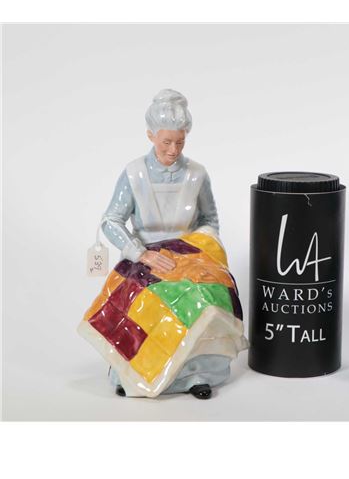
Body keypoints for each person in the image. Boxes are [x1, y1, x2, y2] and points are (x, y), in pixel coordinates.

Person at [79, 89, 247, 399]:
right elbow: (111, 220)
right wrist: (141, 253)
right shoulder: (134, 174)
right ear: (151, 135)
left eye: (180, 142)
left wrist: (202, 250)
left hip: (190, 254)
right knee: (139, 298)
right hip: (145, 256)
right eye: (167, 142)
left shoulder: (197, 174)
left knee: (208, 296)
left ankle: (196, 371)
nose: (173, 150)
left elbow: (209, 220)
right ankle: (131, 371)